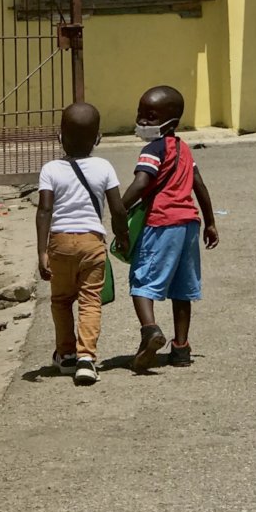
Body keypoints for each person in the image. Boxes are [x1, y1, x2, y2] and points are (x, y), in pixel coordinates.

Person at [121, 85, 219, 371]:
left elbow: (141, 183)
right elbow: (198, 185)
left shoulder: (152, 149)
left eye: (150, 117)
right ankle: (181, 348)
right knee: (182, 289)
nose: (142, 122)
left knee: (142, 283)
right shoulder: (184, 149)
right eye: (140, 114)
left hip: (161, 224)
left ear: (171, 123)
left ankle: (150, 330)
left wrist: (118, 207)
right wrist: (210, 222)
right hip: (188, 225)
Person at [37, 102, 129, 385]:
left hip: (60, 244)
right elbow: (117, 209)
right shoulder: (104, 167)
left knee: (62, 300)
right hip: (92, 243)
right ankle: (86, 358)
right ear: (98, 138)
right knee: (90, 301)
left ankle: (65, 355)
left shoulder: (50, 169)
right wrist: (122, 237)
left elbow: (44, 210)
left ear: (59, 136)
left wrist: (42, 251)